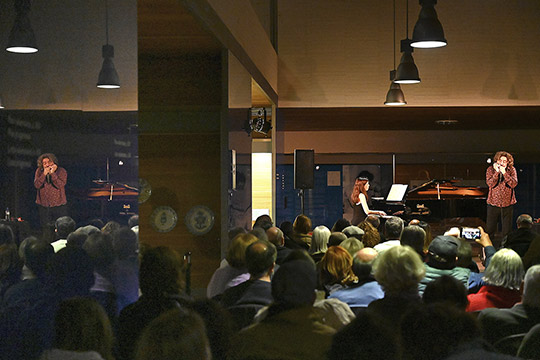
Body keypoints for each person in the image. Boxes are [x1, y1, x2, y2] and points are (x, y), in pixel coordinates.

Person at [486, 151, 518, 237]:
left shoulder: (512, 170)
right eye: (500, 161)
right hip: (493, 203)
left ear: (508, 162)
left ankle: (505, 248)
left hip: (507, 204)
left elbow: (513, 184)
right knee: (490, 229)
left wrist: (504, 173)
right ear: (497, 161)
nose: (502, 163)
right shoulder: (490, 170)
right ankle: (489, 248)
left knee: (506, 231)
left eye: (504, 161)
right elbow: (490, 184)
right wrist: (496, 173)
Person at [34, 153, 68, 231]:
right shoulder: (39, 171)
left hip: (59, 205)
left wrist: (52, 174)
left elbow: (60, 184)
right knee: (46, 229)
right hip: (44, 205)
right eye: (44, 163)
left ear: (53, 162)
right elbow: (37, 185)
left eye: (49, 162)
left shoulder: (61, 171)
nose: (47, 165)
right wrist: (44, 175)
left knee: (60, 229)